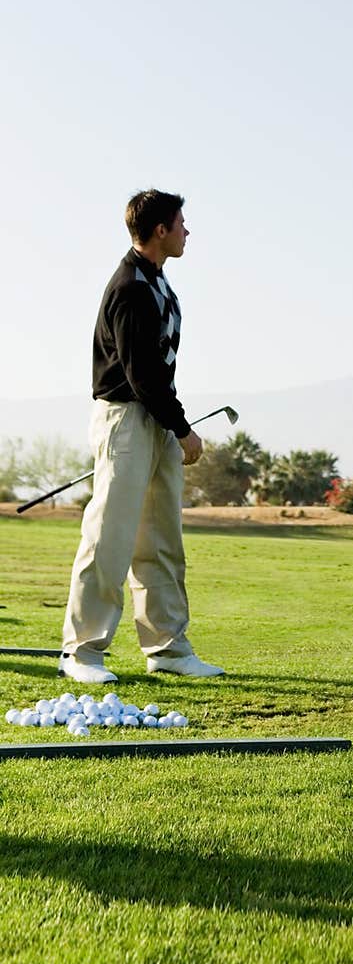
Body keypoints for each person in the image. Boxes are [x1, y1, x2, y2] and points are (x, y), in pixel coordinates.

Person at [58, 189, 225, 684]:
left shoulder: (157, 282)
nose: (187, 231)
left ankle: (168, 647)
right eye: (181, 223)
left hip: (153, 419)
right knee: (109, 536)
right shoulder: (130, 286)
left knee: (161, 540)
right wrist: (182, 427)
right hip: (127, 419)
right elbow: (140, 373)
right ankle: (82, 651)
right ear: (160, 230)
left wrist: (170, 424)